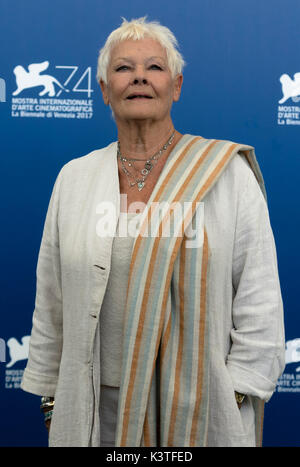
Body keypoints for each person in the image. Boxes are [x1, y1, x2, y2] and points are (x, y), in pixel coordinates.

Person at [21, 17, 285, 447]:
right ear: (105, 89)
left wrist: (233, 391)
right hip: (94, 408)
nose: (140, 76)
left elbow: (260, 296)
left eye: (154, 67)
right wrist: (53, 399)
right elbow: (51, 299)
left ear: (176, 86)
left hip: (198, 408)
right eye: (124, 68)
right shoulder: (75, 178)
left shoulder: (226, 176)